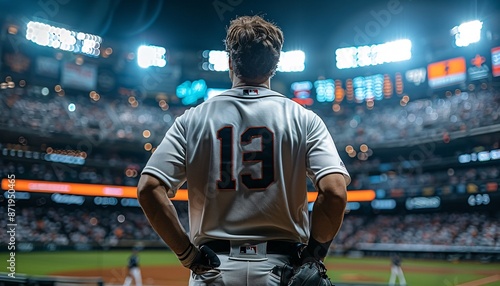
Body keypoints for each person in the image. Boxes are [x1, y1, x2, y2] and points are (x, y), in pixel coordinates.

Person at [137, 15, 350, 286]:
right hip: (281, 269)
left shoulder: (192, 119)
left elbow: (148, 189)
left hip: (213, 272)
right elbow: (334, 191)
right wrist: (314, 254)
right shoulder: (305, 119)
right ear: (275, 65)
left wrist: (188, 255)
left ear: (230, 62)